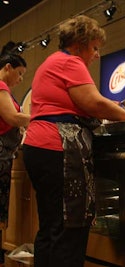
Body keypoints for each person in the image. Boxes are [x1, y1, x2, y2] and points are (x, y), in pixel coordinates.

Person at [22, 15, 125, 267]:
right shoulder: (70, 62)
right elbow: (92, 102)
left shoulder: (52, 62)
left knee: (52, 226)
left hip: (40, 147)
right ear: (79, 43)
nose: (96, 54)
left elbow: (84, 101)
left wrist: (109, 106)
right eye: (94, 47)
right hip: (57, 149)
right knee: (70, 226)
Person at [0, 41, 29, 266]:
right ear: (7, 67)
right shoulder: (0, 86)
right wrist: (44, 118)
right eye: (19, 74)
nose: (21, 79)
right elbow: (12, 118)